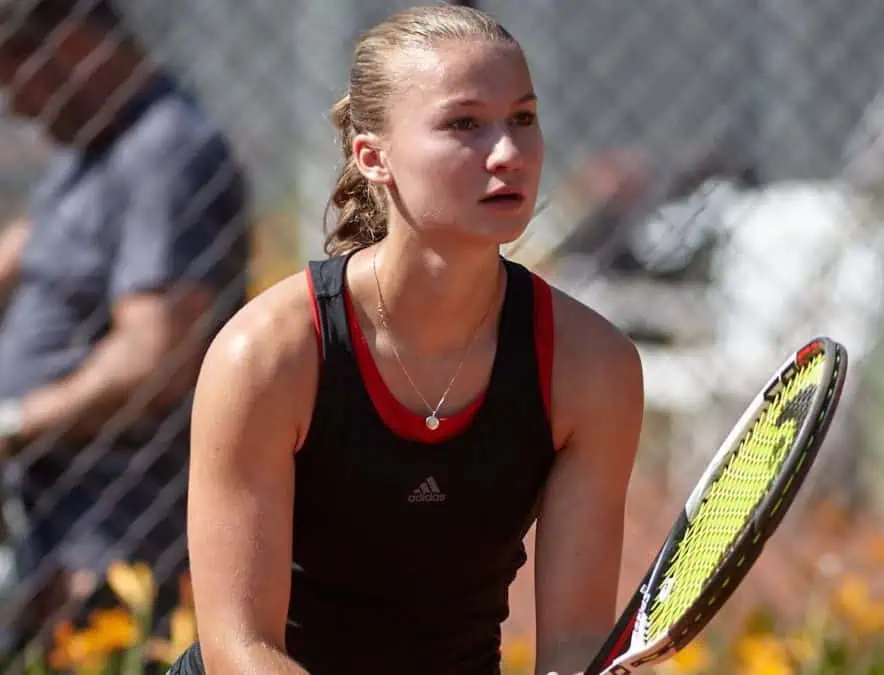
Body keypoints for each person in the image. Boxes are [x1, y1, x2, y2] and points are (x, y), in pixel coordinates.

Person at [173, 4, 644, 675]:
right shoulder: (267, 354)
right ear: (374, 157)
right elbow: (241, 650)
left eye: (523, 118)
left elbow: (572, 643)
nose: (507, 152)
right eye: (464, 125)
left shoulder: (593, 366)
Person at [0, 0, 250, 651]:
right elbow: (33, 248)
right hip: (49, 514)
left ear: (75, 47)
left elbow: (156, 356)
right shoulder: (90, 153)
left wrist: (11, 421)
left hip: (116, 532)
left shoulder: (167, 154)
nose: (14, 107)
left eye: (12, 77)